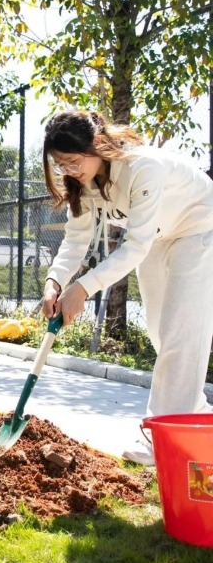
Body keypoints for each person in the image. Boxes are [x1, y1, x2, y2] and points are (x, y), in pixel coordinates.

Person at [41, 109, 213, 466]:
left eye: (73, 161)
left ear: (98, 144)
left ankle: (161, 436)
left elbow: (134, 247)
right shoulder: (84, 182)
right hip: (159, 237)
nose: (68, 171)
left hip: (199, 226)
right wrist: (55, 281)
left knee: (180, 331)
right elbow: (76, 240)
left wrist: (83, 288)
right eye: (61, 164)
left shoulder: (143, 166)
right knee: (159, 332)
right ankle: (193, 409)